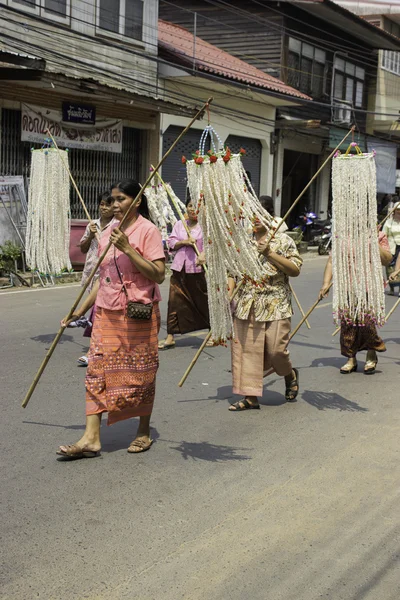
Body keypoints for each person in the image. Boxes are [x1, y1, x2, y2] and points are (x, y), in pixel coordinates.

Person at [57, 179, 165, 459]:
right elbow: (103, 278)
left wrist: (129, 248)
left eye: (121, 199)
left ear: (137, 201)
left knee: (140, 374)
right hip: (106, 312)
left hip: (137, 314)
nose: (115, 205)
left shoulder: (148, 231)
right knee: (96, 370)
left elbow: (159, 274)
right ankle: (91, 438)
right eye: (113, 200)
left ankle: (143, 431)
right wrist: (79, 311)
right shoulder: (108, 231)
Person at [228, 197, 303, 411]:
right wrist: (229, 291)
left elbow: (295, 270)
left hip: (275, 302)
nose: (255, 219)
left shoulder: (282, 240)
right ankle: (250, 398)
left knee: (276, 350)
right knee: (248, 351)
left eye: (259, 214)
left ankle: (289, 374)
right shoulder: (242, 241)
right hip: (247, 302)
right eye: (250, 214)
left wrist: (270, 253)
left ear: (268, 216)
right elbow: (232, 271)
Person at [319, 231, 392, 374]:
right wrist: (325, 283)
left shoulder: (379, 234)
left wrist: (374, 243)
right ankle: (350, 357)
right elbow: (332, 261)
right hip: (347, 287)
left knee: (367, 322)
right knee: (348, 323)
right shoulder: (342, 234)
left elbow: (387, 259)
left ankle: (372, 353)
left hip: (369, 287)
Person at [158, 198, 209, 350]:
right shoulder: (180, 224)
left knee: (201, 300)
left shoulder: (206, 227)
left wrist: (204, 255)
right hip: (179, 268)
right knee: (174, 301)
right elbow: (171, 242)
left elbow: (211, 245)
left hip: (197, 269)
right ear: (186, 207)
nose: (193, 209)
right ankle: (170, 336)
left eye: (197, 206)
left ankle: (212, 330)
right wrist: (184, 242)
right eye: (190, 206)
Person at [75, 191, 115, 366]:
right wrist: (91, 235)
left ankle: (93, 350)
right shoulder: (92, 225)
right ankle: (100, 348)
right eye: (102, 204)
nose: (104, 208)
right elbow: (83, 249)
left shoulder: (117, 226)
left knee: (99, 313)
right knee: (97, 313)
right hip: (93, 273)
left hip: (109, 276)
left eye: (108, 205)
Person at [383, 200, 400, 295]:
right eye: (398, 210)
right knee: (390, 267)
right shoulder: (389, 222)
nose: (399, 213)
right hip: (392, 247)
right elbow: (384, 234)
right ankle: (392, 289)